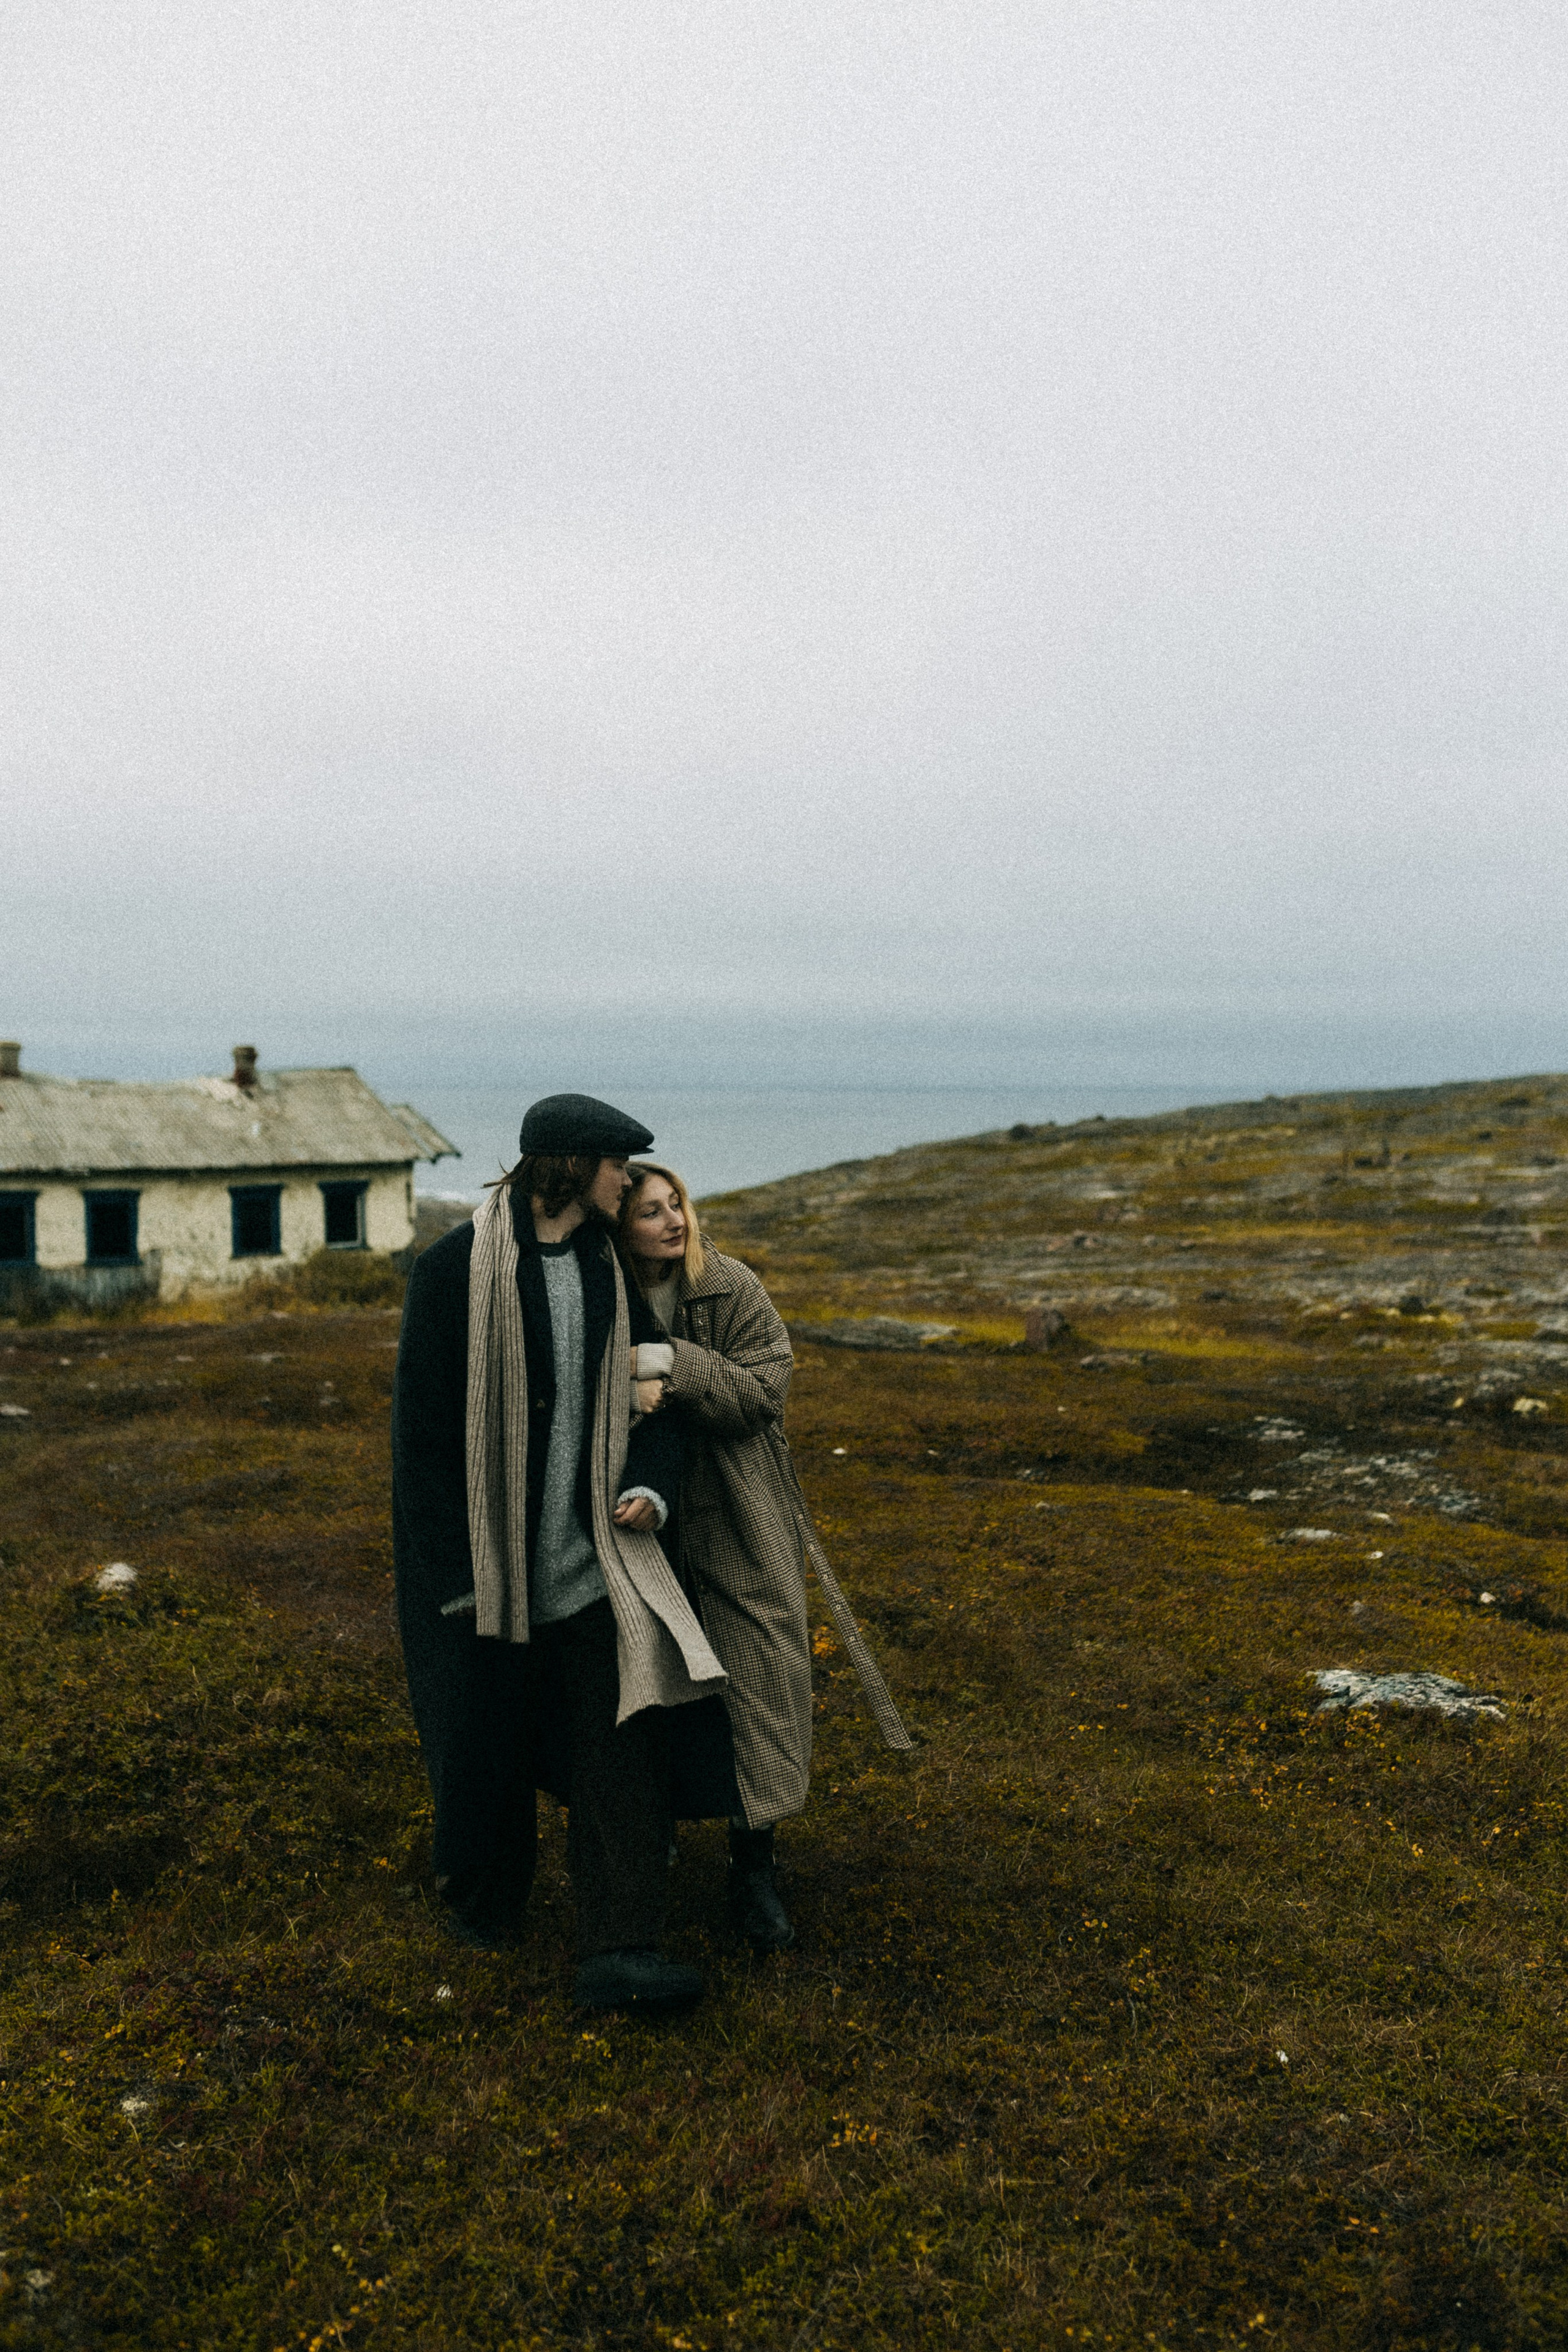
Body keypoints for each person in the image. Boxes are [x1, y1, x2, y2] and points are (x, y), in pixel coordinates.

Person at [391, 1093, 734, 2015]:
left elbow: (651, 1393)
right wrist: (456, 1579)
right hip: (486, 1582)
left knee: (625, 1752)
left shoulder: (606, 1269)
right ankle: (484, 1912)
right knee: (484, 1757)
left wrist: (653, 1489)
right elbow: (422, 1444)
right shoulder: (453, 1271)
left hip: (595, 1574)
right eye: (619, 1166)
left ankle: (620, 1952)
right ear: (574, 1165)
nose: (629, 1180)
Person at [616, 1160, 911, 1953]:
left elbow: (763, 1393)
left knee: (759, 1679)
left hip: (740, 1516)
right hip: (638, 1522)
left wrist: (674, 1364)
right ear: (620, 1223)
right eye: (651, 1211)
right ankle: (654, 1840)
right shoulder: (599, 1295)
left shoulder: (730, 1287)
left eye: (677, 1204)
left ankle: (755, 1866)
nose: (674, 1221)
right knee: (654, 1685)